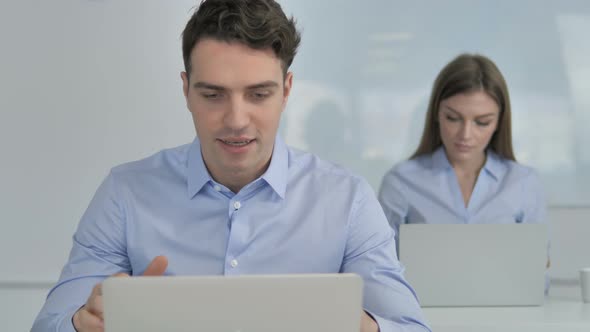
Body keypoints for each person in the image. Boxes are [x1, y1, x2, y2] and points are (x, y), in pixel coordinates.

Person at [32, 1, 430, 331]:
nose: (236, 119)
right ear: (186, 90)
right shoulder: (125, 193)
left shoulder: (347, 200)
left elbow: (411, 326)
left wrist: (365, 327)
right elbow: (49, 323)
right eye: (213, 94)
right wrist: (82, 323)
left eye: (258, 94)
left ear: (287, 91)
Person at [378, 53, 549, 281]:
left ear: (499, 121)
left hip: (508, 314)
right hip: (423, 314)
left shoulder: (524, 183)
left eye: (482, 122)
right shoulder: (400, 182)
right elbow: (382, 271)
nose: (465, 135)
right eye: (453, 118)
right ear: (437, 114)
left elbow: (538, 278)